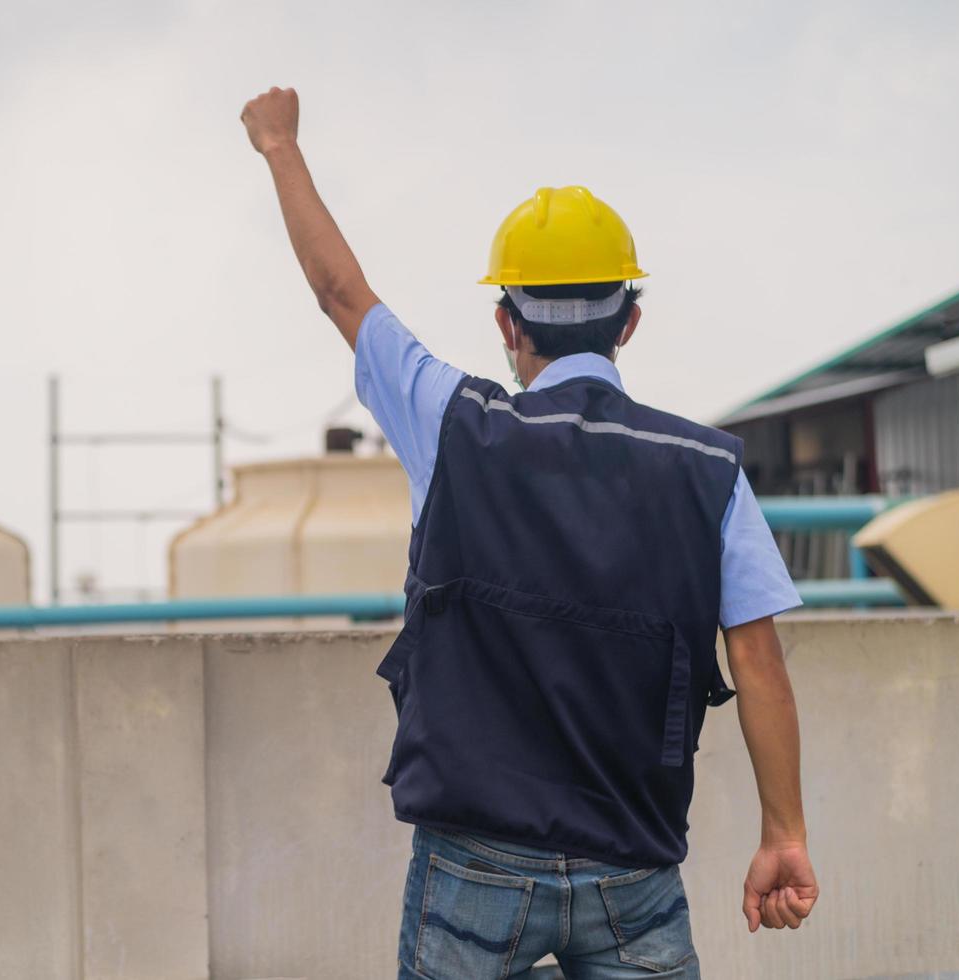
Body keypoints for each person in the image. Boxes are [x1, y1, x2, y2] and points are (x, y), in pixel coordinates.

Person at [240, 85, 819, 978]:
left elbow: (338, 292)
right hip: (634, 863)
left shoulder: (450, 423)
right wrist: (782, 832)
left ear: (506, 323)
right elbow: (757, 661)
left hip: (474, 858)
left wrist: (279, 145)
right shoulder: (709, 471)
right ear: (629, 320)